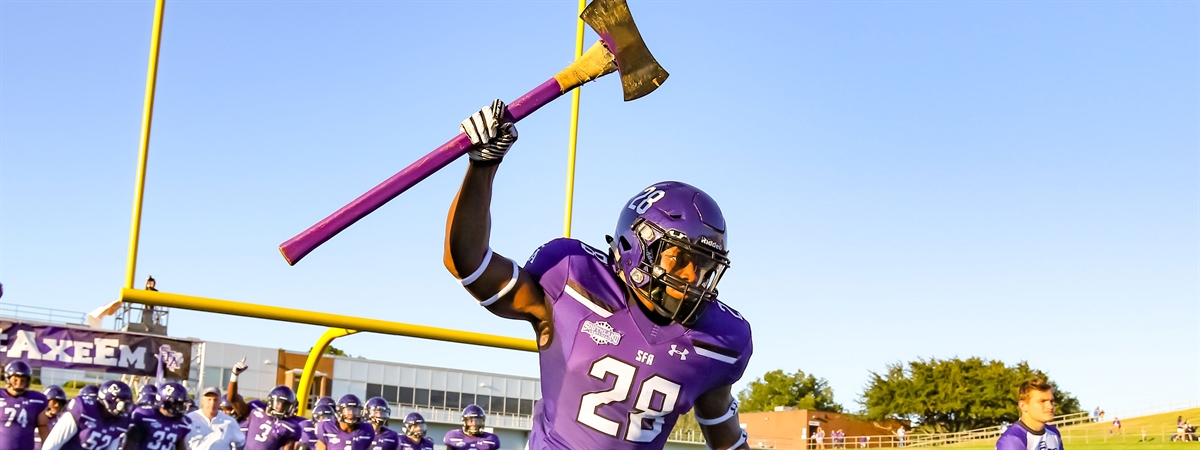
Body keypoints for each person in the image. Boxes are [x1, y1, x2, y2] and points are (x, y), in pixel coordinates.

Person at [443, 101, 753, 450]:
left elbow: (724, 437)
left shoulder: (723, 341)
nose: (692, 277)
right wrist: (483, 165)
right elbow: (469, 264)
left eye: (705, 267)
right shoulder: (572, 277)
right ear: (639, 245)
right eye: (679, 258)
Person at [41, 380, 133, 450]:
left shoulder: (121, 421)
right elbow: (51, 445)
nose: (126, 409)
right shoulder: (83, 410)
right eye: (123, 404)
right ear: (110, 401)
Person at [995, 378, 1063, 450]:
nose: (1050, 406)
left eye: (1051, 401)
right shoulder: (1013, 439)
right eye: (1042, 401)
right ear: (1023, 406)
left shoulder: (1054, 433)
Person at [125, 382, 191, 450]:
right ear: (167, 402)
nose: (182, 407)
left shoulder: (182, 422)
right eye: (179, 404)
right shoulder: (145, 416)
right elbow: (130, 443)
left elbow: (180, 446)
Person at [0, 361, 50, 450]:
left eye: (22, 380)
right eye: (15, 380)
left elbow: (43, 427)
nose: (19, 383)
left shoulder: (38, 399)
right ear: (8, 378)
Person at [238, 386, 303, 450]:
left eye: (285, 405)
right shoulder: (256, 408)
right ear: (270, 401)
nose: (280, 407)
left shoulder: (292, 426)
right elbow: (233, 400)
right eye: (278, 403)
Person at [35, 385, 68, 450]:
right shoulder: (34, 416)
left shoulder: (62, 420)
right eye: (54, 402)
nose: (57, 405)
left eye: (60, 403)